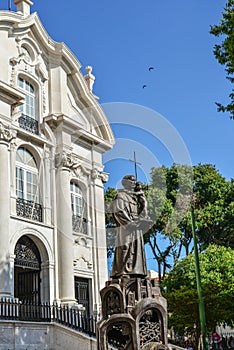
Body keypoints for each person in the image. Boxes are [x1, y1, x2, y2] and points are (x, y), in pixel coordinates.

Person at [110, 175, 151, 278]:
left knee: (137, 249)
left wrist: (142, 200)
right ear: (125, 182)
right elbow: (119, 211)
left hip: (136, 227)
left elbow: (142, 214)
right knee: (126, 247)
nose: (133, 183)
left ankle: (136, 272)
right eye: (131, 181)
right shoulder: (120, 196)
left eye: (134, 181)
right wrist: (130, 223)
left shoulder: (133, 198)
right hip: (126, 227)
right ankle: (122, 272)